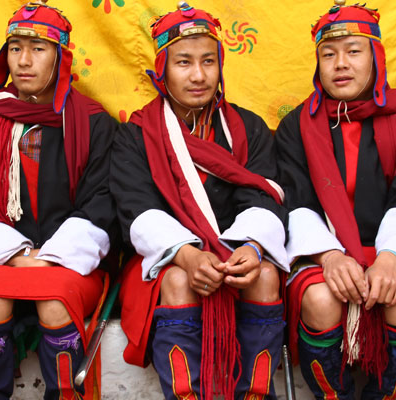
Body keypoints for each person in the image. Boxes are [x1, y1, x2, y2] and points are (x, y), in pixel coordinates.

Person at [109, 2, 289, 399]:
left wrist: (251, 247)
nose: (198, 75)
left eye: (209, 61)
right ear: (162, 69)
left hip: (235, 255)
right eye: (183, 62)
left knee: (266, 275)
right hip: (164, 262)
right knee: (177, 280)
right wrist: (188, 255)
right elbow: (137, 208)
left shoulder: (247, 129)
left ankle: (252, 395)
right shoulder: (137, 135)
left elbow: (263, 194)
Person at [0, 2, 118, 399]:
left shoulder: (94, 123)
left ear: (61, 57)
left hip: (69, 262)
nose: (24, 61)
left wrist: (49, 258)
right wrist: (17, 255)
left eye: (38, 49)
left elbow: (101, 205)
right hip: (2, 258)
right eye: (15, 48)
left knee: (54, 304)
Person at [275, 1, 396, 398]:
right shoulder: (296, 125)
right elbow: (296, 203)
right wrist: (330, 257)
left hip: (395, 254)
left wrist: (388, 258)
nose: (340, 64)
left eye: (353, 51)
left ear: (376, 57)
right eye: (328, 55)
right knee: (320, 299)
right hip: (324, 255)